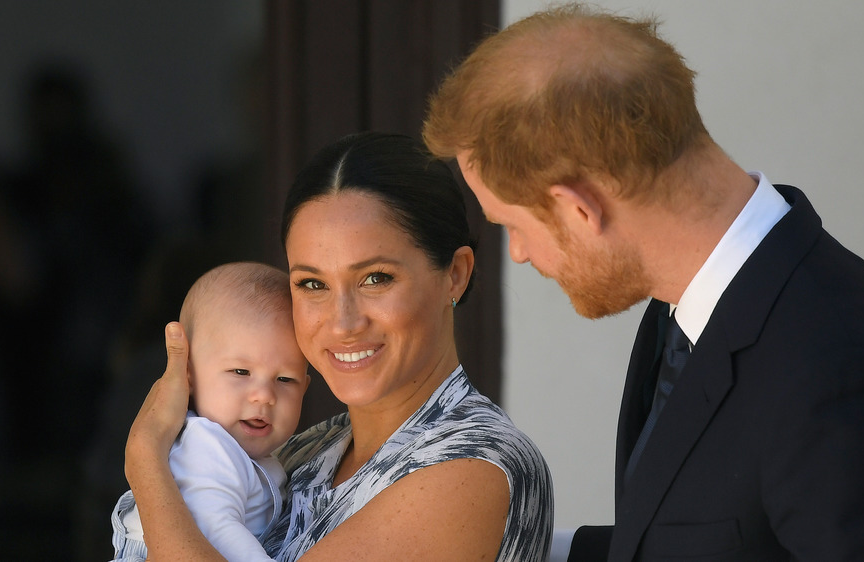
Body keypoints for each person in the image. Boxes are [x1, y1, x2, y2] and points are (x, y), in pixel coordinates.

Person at [423, 4, 864, 561]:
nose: (520, 254)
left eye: (512, 225)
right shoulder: (695, 299)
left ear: (579, 209)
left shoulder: (840, 376)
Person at [123, 132, 554, 561]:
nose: (343, 323)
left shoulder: (470, 465)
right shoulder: (307, 450)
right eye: (313, 284)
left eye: (376, 278)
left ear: (455, 275)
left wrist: (145, 457)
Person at [110, 261, 310, 561]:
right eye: (241, 371)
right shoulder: (207, 447)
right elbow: (215, 530)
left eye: (285, 379)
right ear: (188, 376)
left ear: (305, 387)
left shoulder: (248, 454)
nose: (265, 396)